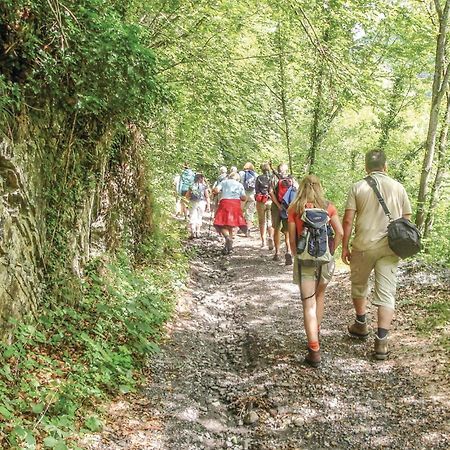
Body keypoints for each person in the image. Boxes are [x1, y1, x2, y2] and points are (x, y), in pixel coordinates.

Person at [342, 150, 412, 360]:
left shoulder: (358, 186)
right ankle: (381, 341)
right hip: (390, 247)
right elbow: (406, 218)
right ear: (385, 166)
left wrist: (344, 246)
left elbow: (347, 220)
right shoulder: (398, 187)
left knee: (359, 284)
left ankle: (361, 324)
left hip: (363, 245)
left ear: (366, 167)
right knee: (387, 293)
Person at [288, 175, 343, 368]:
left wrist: (296, 254)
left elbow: (292, 239)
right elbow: (341, 233)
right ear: (320, 187)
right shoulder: (328, 206)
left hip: (305, 260)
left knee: (308, 303)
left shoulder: (295, 208)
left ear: (301, 188)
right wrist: (331, 251)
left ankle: (314, 349)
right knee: (320, 297)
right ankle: (316, 332)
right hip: (325, 259)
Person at [213, 172, 247, 254]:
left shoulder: (224, 182)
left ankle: (227, 238)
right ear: (237, 178)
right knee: (231, 224)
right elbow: (243, 197)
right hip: (235, 204)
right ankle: (229, 245)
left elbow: (216, 190)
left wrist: (214, 192)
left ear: (229, 176)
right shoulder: (239, 185)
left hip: (225, 203)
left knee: (220, 223)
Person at [270, 163, 294, 265]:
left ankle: (277, 253)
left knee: (276, 229)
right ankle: (288, 251)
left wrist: (278, 205)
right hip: (287, 206)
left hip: (276, 207)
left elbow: (271, 192)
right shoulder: (292, 179)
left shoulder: (273, 179)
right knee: (287, 230)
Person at [255, 162, 274, 249]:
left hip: (261, 201)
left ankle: (263, 242)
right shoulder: (272, 178)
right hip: (270, 200)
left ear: (261, 169)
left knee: (262, 221)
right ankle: (271, 237)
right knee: (270, 220)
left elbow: (256, 190)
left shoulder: (259, 178)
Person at [187, 173, 210, 239]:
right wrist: (208, 206)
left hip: (193, 202)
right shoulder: (204, 186)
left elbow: (187, 196)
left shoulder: (191, 185)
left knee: (192, 216)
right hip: (202, 202)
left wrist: (187, 202)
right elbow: (207, 196)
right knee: (199, 217)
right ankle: (198, 232)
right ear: (201, 179)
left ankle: (192, 232)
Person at [239, 162, 257, 236]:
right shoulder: (256, 175)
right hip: (252, 195)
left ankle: (239, 227)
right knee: (250, 213)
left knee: (240, 211)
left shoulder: (241, 173)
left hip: (242, 195)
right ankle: (248, 230)